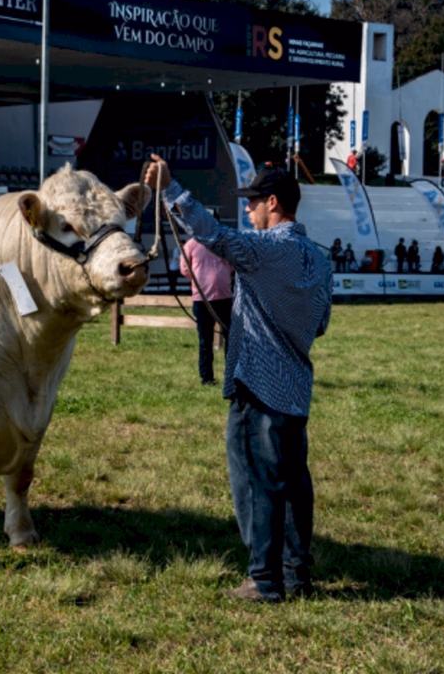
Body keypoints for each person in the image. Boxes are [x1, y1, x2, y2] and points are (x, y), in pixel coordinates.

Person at [144, 155, 332, 603]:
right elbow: (320, 324)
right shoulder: (321, 261)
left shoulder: (266, 249)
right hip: (295, 386)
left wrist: (171, 189)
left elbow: (215, 236)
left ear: (273, 203)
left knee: (256, 481)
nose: (248, 211)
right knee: (293, 483)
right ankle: (296, 574)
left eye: (252, 203)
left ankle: (264, 580)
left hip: (259, 384)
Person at [179, 235, 234, 386]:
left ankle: (232, 377)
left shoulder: (223, 243)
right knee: (205, 340)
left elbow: (232, 264)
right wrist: (199, 281)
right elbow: (185, 269)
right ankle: (207, 377)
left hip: (224, 297)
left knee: (231, 338)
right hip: (202, 299)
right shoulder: (191, 245)